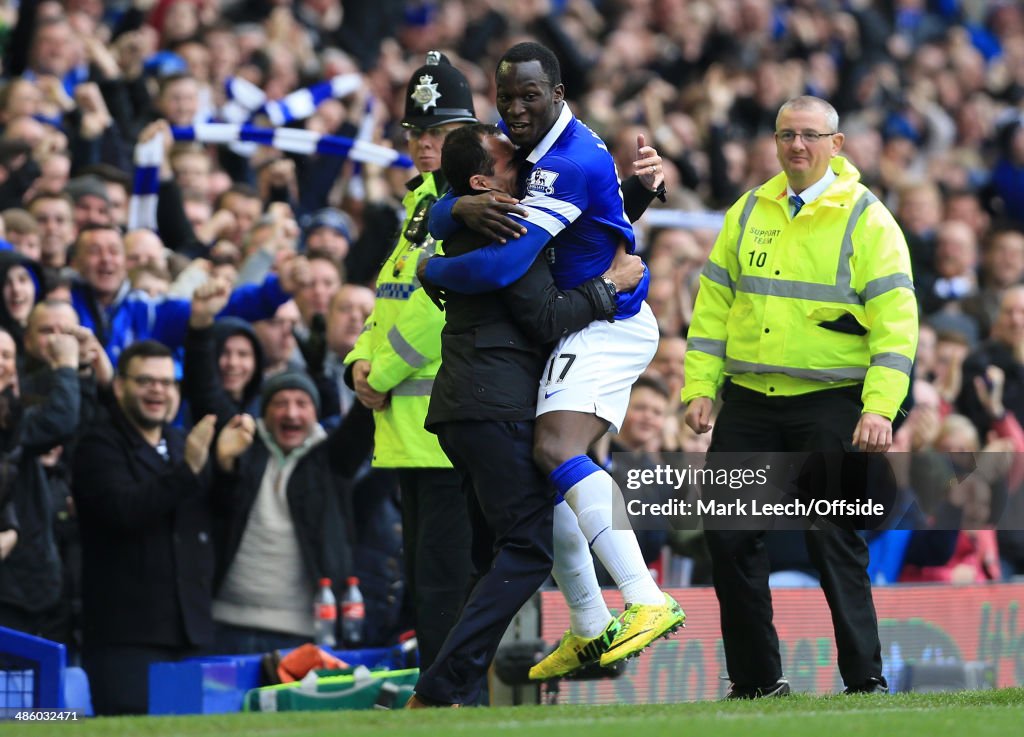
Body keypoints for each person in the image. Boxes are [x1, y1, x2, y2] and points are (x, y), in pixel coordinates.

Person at [420, 42, 682, 676]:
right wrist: (449, 207)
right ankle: (591, 626)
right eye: (505, 96)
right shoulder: (539, 148)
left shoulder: (560, 160)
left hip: (605, 320)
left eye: (528, 96)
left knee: (556, 453)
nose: (513, 111)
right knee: (551, 481)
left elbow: (512, 262)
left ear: (558, 94)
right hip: (583, 318)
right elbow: (453, 190)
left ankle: (646, 598)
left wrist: (437, 268)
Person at [683, 95, 918, 697]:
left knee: (832, 539)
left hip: (831, 401)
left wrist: (879, 408)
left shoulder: (868, 219)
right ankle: (756, 683)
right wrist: (700, 388)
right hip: (750, 401)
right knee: (728, 537)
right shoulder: (747, 211)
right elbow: (712, 310)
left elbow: (897, 325)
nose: (797, 146)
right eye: (787, 134)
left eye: (811, 135)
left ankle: (865, 680)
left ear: (836, 145)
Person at [407, 123, 646, 707]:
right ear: (484, 180)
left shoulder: (468, 219)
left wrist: (627, 201)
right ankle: (440, 692)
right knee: (525, 549)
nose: (524, 156)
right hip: (495, 406)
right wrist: (609, 290)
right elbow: (542, 316)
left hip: (468, 405)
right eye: (508, 154)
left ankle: (450, 694)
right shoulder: (509, 226)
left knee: (493, 555)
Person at [342, 51, 478, 672]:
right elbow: (390, 297)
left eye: (441, 133)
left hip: (447, 429)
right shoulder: (420, 202)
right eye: (419, 133)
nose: (426, 145)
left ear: (469, 138)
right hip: (409, 430)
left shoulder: (465, 205)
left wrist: (381, 373)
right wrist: (357, 362)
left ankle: (449, 697)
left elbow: (436, 307)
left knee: (445, 581)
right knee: (428, 578)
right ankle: (440, 692)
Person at [72, 341, 219, 715]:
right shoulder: (98, 444)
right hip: (127, 638)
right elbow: (124, 510)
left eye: (168, 383)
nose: (159, 390)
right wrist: (187, 471)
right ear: (119, 386)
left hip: (191, 632)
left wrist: (228, 468)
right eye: (146, 381)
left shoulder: (181, 442)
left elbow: (210, 520)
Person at [208, 373, 372, 654]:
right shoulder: (243, 450)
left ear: (316, 413)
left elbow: (363, 417)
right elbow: (206, 391)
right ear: (264, 412)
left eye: (301, 403)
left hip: (304, 633)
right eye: (280, 403)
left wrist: (372, 373)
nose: (291, 412)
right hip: (225, 625)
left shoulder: (332, 461)